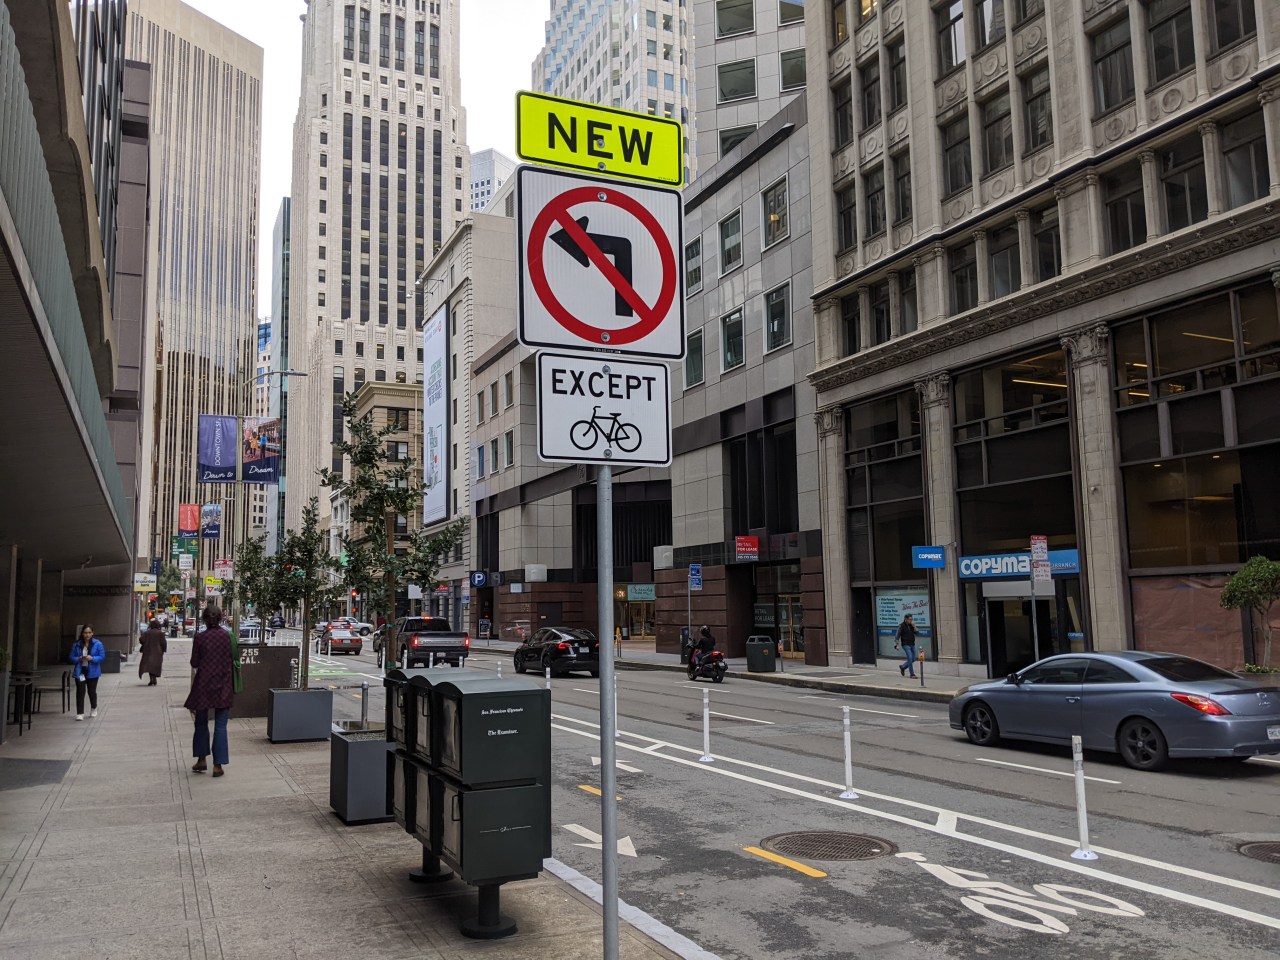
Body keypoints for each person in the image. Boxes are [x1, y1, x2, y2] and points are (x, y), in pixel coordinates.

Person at [185, 605, 234, 778]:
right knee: (221, 725)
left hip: (203, 685)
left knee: (201, 722)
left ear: (204, 619)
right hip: (224, 684)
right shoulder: (228, 637)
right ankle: (218, 765)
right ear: (220, 618)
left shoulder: (200, 638)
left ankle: (201, 759)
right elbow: (234, 658)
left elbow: (194, 663)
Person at [69, 625, 105, 720]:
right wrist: (78, 658)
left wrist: (93, 658)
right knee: (80, 691)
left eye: (89, 632)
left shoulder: (98, 644)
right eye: (85, 633)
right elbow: (71, 657)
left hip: (92, 672)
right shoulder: (77, 644)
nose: (87, 635)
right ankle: (80, 713)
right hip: (80, 671)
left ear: (92, 633)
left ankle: (94, 708)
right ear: (82, 633)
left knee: (91, 691)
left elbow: (102, 656)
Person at [138, 619, 167, 686]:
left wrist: (145, 643)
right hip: (158, 652)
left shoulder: (147, 633)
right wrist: (163, 650)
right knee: (155, 666)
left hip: (148, 651)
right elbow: (164, 643)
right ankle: (153, 679)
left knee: (150, 665)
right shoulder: (160, 633)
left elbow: (141, 639)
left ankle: (152, 679)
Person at [895, 613, 918, 679]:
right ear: (906, 619)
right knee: (910, 658)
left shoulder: (912, 625)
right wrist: (897, 645)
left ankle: (903, 667)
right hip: (905, 644)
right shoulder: (901, 626)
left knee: (913, 659)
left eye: (912, 619)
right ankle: (912, 674)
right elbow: (897, 636)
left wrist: (914, 626)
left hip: (912, 644)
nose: (911, 621)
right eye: (910, 619)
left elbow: (917, 633)